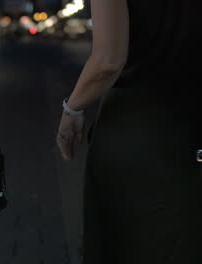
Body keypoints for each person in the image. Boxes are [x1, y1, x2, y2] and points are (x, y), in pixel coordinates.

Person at [56, 0, 202, 263]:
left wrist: (73, 109)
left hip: (138, 126)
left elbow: (108, 61)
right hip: (190, 122)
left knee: (125, 241)